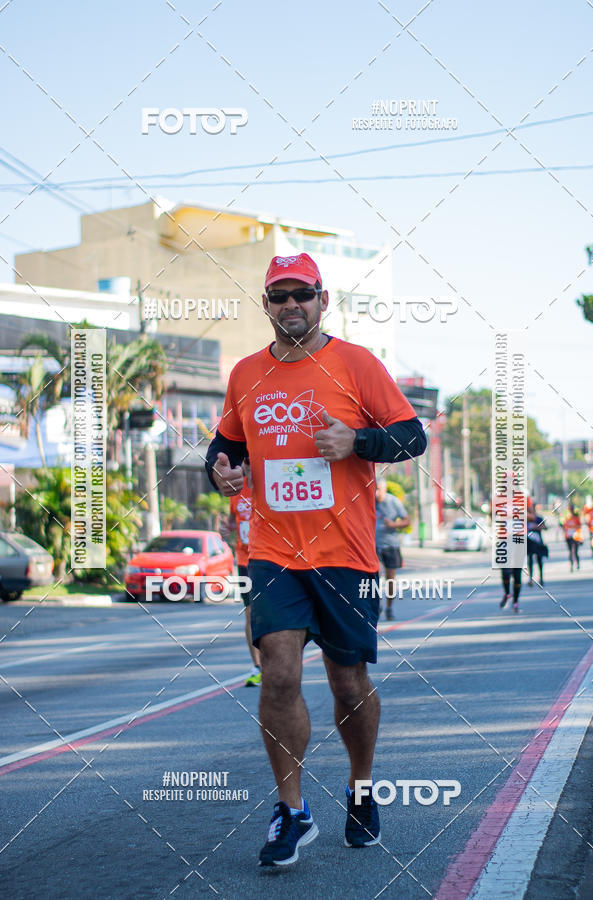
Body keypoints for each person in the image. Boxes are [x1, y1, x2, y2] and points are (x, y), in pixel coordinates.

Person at [205, 252, 427, 867]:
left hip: (346, 556)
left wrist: (357, 440)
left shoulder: (356, 363)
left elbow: (413, 436)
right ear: (268, 305)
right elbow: (224, 451)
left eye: (302, 294)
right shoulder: (247, 373)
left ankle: (361, 788)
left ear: (323, 300)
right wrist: (222, 475)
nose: (291, 304)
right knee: (277, 673)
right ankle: (293, 812)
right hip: (275, 554)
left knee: (347, 681)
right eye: (279, 295)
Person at [220, 475, 261, 686]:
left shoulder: (267, 482)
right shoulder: (236, 489)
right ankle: (257, 667)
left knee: (271, 611)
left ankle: (277, 662)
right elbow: (232, 521)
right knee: (250, 613)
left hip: (268, 558)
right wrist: (226, 528)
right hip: (245, 560)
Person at [374, 478, 410, 620]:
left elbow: (407, 521)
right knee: (374, 578)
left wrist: (393, 525)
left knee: (390, 579)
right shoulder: (369, 501)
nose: (376, 493)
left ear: (384, 489)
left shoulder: (393, 501)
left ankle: (389, 607)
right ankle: (377, 605)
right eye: (374, 490)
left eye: (379, 490)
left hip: (391, 544)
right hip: (373, 545)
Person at [526, 501, 547, 586]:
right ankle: (530, 578)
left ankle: (541, 578)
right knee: (530, 559)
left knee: (539, 559)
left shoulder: (538, 518)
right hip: (529, 541)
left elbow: (545, 527)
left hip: (538, 540)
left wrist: (537, 527)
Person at [562, 504, 583, 572]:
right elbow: (563, 526)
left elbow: (579, 526)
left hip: (576, 536)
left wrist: (574, 528)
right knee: (570, 551)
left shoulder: (576, 517)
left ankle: (577, 564)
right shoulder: (566, 518)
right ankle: (571, 565)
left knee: (576, 551)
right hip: (568, 536)